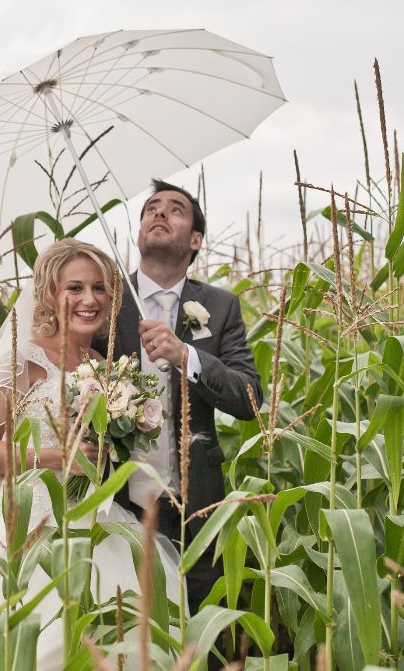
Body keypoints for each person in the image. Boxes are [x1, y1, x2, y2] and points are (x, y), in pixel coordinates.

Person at [0, 238, 182, 671]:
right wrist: (54, 456)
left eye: (100, 288)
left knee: (124, 632)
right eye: (75, 288)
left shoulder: (105, 365)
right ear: (48, 295)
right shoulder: (21, 360)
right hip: (30, 524)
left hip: (98, 522)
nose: (89, 299)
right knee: (35, 639)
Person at [110, 180, 263, 618]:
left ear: (195, 240)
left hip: (196, 503)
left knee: (200, 627)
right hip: (118, 503)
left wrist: (187, 356)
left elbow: (250, 398)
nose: (159, 214)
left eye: (175, 210)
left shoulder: (220, 305)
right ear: (139, 230)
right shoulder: (106, 298)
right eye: (151, 208)